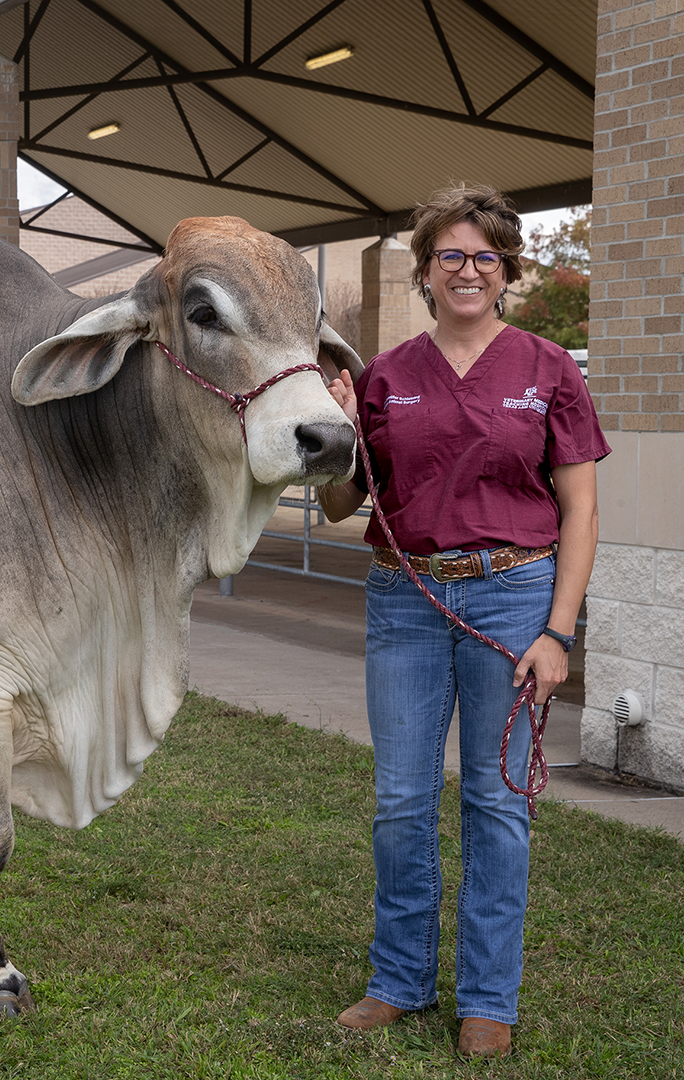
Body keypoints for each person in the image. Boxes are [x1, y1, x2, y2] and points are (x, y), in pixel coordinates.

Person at [318, 184, 609, 1060]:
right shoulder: (386, 377)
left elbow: (582, 511)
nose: (469, 270)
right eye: (451, 255)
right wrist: (336, 434)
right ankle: (398, 981)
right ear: (426, 271)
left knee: (496, 805)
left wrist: (558, 632)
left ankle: (488, 997)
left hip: (516, 597)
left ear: (507, 268)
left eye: (486, 255)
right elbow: (340, 505)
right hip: (405, 603)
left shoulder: (548, 367)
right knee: (402, 802)